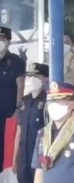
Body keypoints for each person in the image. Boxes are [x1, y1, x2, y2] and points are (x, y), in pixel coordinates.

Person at [13, 63, 48, 183]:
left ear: (45, 79)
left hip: (39, 156)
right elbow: (19, 130)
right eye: (30, 76)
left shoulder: (48, 101)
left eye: (36, 76)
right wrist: (14, 158)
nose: (32, 80)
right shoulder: (24, 101)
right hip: (23, 157)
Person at [0, 26, 25, 170]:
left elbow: (20, 86)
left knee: (7, 148)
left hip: (9, 112)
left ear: (9, 42)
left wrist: (17, 108)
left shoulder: (15, 61)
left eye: (2, 39)